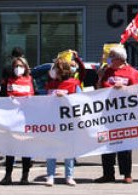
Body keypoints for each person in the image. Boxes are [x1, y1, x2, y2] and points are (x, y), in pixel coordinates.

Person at [94, 44, 138, 184]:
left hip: (125, 115)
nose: (109, 59)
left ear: (120, 59)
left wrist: (124, 89)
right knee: (106, 144)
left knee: (125, 144)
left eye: (111, 57)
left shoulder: (132, 72)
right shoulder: (107, 71)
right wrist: (100, 77)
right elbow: (99, 90)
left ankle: (127, 173)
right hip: (107, 114)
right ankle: (108, 174)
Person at [44, 57, 81, 186]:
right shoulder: (50, 84)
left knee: (69, 150)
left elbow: (80, 102)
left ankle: (69, 176)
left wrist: (66, 98)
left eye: (56, 68)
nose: (53, 70)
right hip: (52, 121)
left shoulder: (74, 83)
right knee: (51, 149)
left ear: (63, 70)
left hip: (68, 121)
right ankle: (50, 175)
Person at [0, 54, 35, 185]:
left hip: (26, 119)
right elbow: (1, 98)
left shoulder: (31, 80)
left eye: (20, 66)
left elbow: (37, 98)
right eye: (16, 66)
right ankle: (7, 176)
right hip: (12, 119)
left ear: (25, 67)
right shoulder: (8, 80)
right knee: (11, 148)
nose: (18, 68)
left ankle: (25, 176)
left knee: (26, 148)